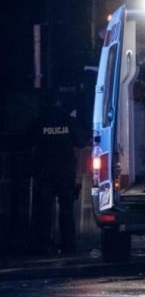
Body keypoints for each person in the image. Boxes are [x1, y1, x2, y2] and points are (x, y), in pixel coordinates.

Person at [27, 91, 86, 254]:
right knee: (66, 210)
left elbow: (28, 139)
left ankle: (43, 245)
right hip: (65, 172)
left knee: (44, 211)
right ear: (61, 102)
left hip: (44, 172)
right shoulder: (69, 121)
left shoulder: (40, 121)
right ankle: (68, 245)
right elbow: (81, 142)